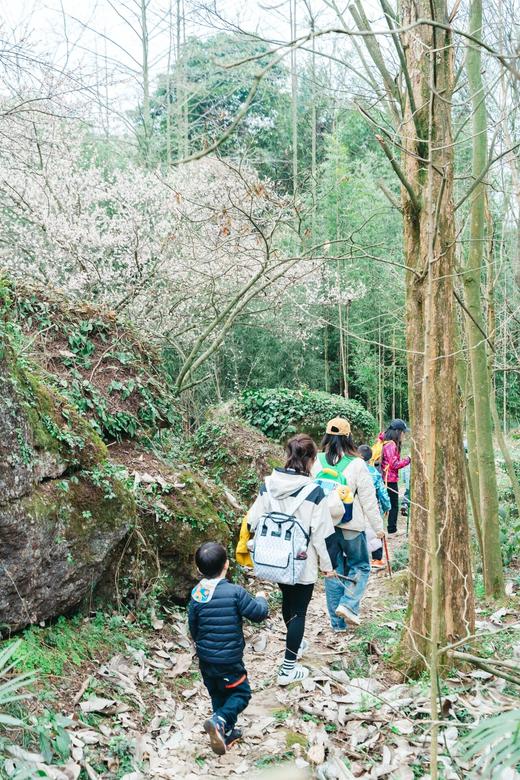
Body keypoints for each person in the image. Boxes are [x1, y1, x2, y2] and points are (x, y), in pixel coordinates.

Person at [247, 434, 336, 685]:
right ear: (311, 459)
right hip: (301, 560)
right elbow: (321, 535)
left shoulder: (268, 485)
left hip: (275, 558)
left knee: (288, 601)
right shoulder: (314, 491)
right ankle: (288, 668)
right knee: (299, 611)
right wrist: (328, 567)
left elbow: (253, 520)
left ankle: (295, 641)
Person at [188, 542, 268, 755]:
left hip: (206, 659)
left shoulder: (197, 594)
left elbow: (193, 626)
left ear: (198, 569)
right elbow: (258, 613)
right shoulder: (235, 592)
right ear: (227, 564)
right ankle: (220, 720)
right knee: (242, 694)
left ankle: (224, 731)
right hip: (229, 660)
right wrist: (261, 598)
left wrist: (203, 646)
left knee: (218, 694)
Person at [310, 418, 384, 632]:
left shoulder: (317, 461)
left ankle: (337, 624)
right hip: (351, 525)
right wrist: (378, 529)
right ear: (349, 437)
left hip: (326, 528)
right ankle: (349, 604)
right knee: (360, 566)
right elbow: (369, 500)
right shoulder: (358, 463)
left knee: (333, 571)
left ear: (326, 436)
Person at [358, 444, 390, 570]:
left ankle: (360, 558)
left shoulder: (351, 469)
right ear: (370, 458)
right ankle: (376, 559)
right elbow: (382, 492)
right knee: (377, 531)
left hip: (356, 507)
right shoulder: (374, 473)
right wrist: (387, 506)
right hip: (373, 506)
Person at [378, 419, 410, 535]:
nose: (404, 435)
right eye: (403, 432)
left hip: (384, 478)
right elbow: (394, 464)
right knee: (393, 505)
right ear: (398, 432)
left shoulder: (385, 442)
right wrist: (408, 460)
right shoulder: (391, 445)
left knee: (385, 504)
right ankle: (392, 531)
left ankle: (386, 529)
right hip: (389, 480)